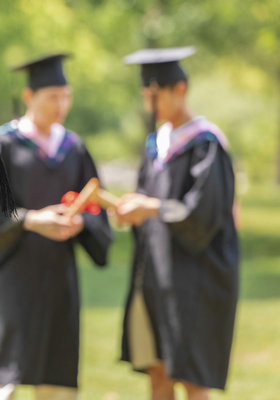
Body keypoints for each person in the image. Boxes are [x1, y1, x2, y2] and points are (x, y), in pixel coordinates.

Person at [0, 54, 112, 400]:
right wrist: (32, 220)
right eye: (53, 97)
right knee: (10, 376)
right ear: (29, 97)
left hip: (60, 279)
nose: (61, 105)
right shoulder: (1, 145)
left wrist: (80, 222)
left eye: (66, 96)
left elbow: (98, 212)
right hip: (15, 278)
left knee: (58, 376)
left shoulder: (74, 149)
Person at [117, 47, 239, 400]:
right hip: (156, 274)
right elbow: (146, 200)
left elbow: (203, 214)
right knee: (158, 372)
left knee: (191, 376)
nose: (149, 104)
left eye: (154, 95)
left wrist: (150, 207)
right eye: (145, 96)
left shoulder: (205, 144)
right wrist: (130, 209)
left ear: (180, 89)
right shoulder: (156, 144)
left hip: (194, 279)